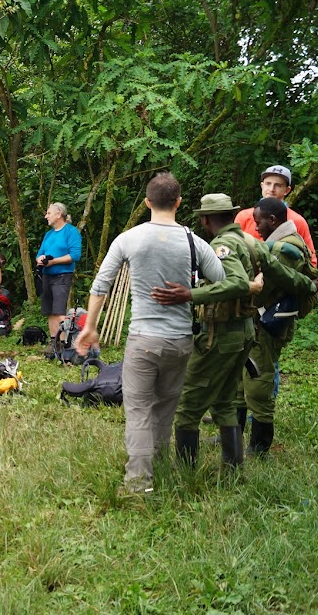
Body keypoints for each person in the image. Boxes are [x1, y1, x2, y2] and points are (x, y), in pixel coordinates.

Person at [76, 173, 225, 494]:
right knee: (164, 410)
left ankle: (138, 484)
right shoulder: (193, 241)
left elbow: (100, 285)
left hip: (143, 340)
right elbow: (222, 277)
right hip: (181, 341)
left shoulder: (128, 239)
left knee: (140, 410)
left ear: (147, 203)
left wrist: (90, 327)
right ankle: (159, 470)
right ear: (179, 203)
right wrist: (191, 290)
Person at [152, 194, 264, 471]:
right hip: (244, 331)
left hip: (221, 335)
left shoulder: (223, 244)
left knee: (188, 405)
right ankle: (233, 469)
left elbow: (238, 283)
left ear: (205, 219)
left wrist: (191, 294)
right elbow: (267, 273)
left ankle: (187, 471)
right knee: (225, 402)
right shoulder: (248, 241)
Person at [233, 198, 318, 456]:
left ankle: (259, 445)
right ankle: (233, 434)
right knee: (239, 380)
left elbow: (266, 285)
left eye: (258, 220)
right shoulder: (273, 243)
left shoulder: (286, 249)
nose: (255, 226)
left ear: (272, 220)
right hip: (253, 320)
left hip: (268, 324)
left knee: (259, 381)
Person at [235, 165, 317, 268]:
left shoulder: (297, 221)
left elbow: (310, 258)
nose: (271, 189)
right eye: (268, 184)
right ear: (262, 186)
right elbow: (233, 248)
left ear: (287, 190)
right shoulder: (244, 216)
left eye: (278, 185)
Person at [36, 202, 82, 352]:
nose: (46, 216)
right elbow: (39, 253)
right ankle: (53, 343)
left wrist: (54, 261)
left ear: (59, 214)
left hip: (62, 276)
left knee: (59, 311)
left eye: (49, 213)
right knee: (49, 311)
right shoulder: (48, 234)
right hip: (46, 276)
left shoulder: (71, 231)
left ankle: (65, 344)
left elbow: (75, 255)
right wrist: (40, 259)